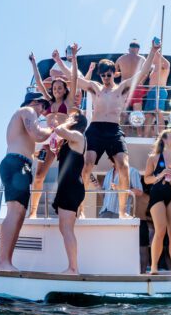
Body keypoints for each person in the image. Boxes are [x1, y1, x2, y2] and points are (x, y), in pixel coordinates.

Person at [52, 40, 160, 218]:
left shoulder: (123, 88)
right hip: (95, 129)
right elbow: (74, 79)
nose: (106, 78)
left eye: (108, 75)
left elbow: (142, 73)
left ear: (113, 74)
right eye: (103, 75)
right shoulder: (95, 88)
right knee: (86, 166)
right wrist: (61, 60)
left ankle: (123, 210)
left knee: (124, 167)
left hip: (114, 130)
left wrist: (153, 51)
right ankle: (80, 208)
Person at [0, 93, 54, 271]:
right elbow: (37, 134)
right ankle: (3, 262)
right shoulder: (27, 110)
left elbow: (30, 140)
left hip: (21, 164)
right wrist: (53, 128)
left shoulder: (23, 116)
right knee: (15, 212)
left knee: (19, 214)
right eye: (43, 106)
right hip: (16, 163)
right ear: (35, 103)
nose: (43, 111)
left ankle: (7, 262)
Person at [28, 52, 73, 218]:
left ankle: (79, 210)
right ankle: (32, 212)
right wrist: (33, 63)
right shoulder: (48, 100)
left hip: (65, 141)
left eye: (60, 87)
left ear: (64, 89)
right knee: (39, 175)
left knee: (72, 178)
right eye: (54, 88)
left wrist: (72, 59)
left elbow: (74, 80)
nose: (56, 90)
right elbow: (39, 82)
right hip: (49, 142)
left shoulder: (68, 102)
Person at [144, 128, 171, 274]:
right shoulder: (153, 158)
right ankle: (154, 267)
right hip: (157, 194)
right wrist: (160, 175)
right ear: (164, 140)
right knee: (160, 230)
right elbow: (146, 179)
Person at [52, 109, 88, 274]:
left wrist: (66, 121)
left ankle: (73, 268)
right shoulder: (71, 139)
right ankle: (73, 267)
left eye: (72, 118)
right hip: (68, 186)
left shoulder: (79, 136)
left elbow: (59, 130)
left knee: (66, 229)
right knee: (64, 228)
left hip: (71, 186)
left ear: (76, 121)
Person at [115, 40, 147, 134]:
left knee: (122, 112)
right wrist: (141, 82)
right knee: (137, 113)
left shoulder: (121, 58)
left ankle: (119, 132)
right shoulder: (142, 59)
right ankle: (140, 134)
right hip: (136, 87)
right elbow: (145, 73)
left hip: (124, 86)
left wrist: (121, 73)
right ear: (138, 49)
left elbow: (114, 73)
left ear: (129, 49)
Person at [143, 47, 171, 137]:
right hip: (151, 92)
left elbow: (167, 64)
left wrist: (157, 53)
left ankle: (162, 136)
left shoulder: (163, 65)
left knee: (158, 112)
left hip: (159, 90)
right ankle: (145, 136)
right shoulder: (153, 67)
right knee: (148, 115)